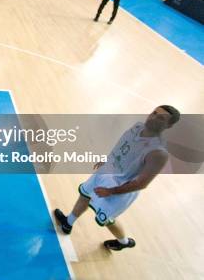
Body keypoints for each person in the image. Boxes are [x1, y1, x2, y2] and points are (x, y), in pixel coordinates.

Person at [54, 106, 180, 251]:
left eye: (161, 118)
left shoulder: (158, 152)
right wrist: (108, 161)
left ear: (169, 125)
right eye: (154, 113)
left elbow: (142, 183)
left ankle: (124, 242)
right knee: (85, 195)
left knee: (107, 220)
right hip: (106, 172)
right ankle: (68, 223)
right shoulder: (137, 127)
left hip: (120, 188)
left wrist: (111, 191)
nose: (153, 117)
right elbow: (122, 147)